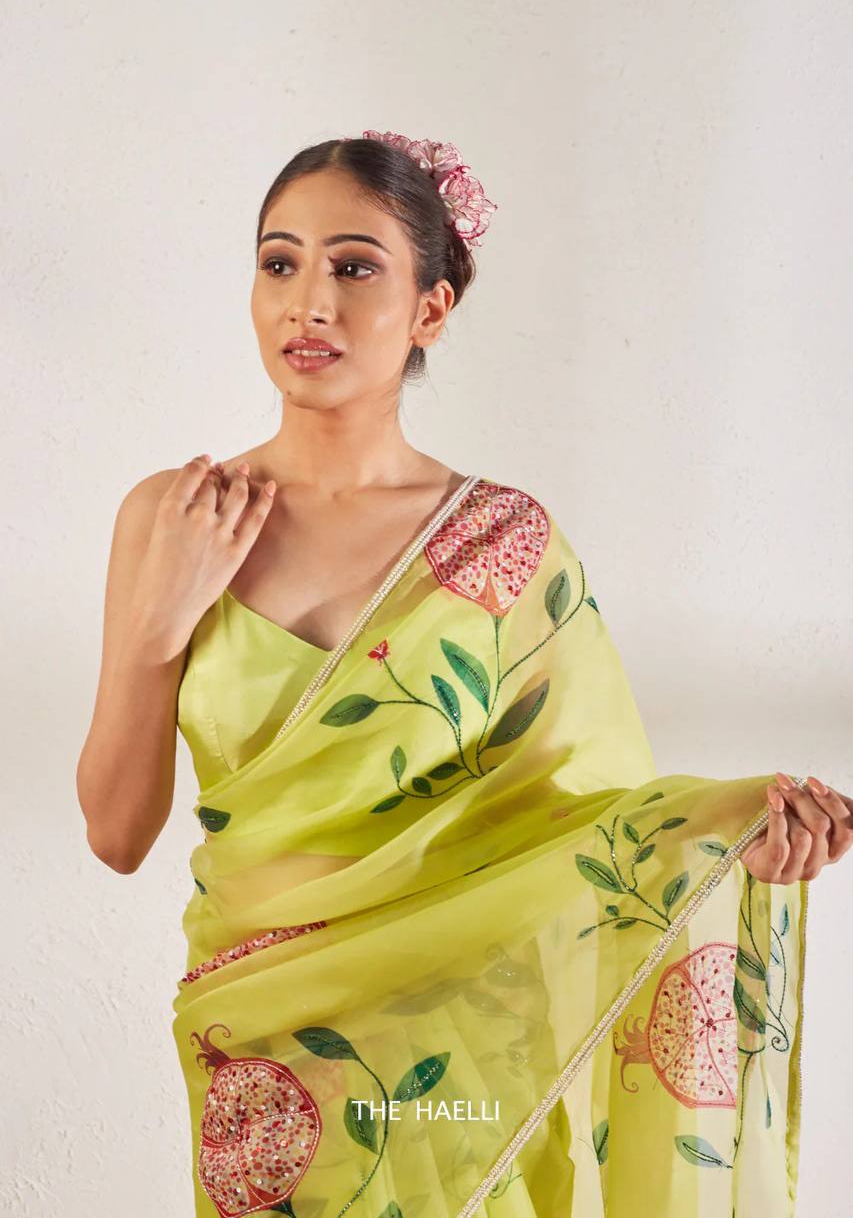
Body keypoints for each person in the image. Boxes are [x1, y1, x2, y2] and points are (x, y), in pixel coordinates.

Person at [77, 132, 852, 1217]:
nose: (309, 302)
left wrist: (729, 833)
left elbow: (589, 819)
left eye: (354, 267)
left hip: (456, 1040)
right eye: (279, 262)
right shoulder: (177, 516)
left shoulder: (501, 544)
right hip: (260, 1041)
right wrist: (156, 627)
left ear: (430, 308)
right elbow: (116, 834)